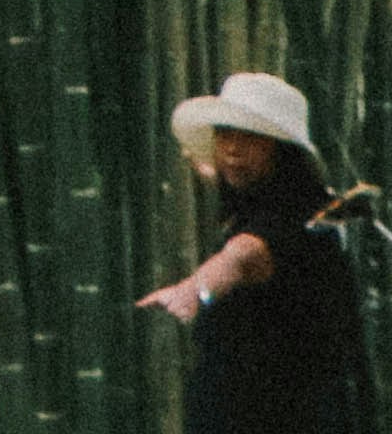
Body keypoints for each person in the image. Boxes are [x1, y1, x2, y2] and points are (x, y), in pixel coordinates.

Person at [143, 74, 375, 434]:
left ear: (280, 151)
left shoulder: (288, 215)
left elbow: (242, 256)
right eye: (224, 135)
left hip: (277, 408)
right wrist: (203, 163)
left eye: (250, 138)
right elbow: (219, 174)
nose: (232, 149)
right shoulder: (290, 199)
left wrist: (193, 290)